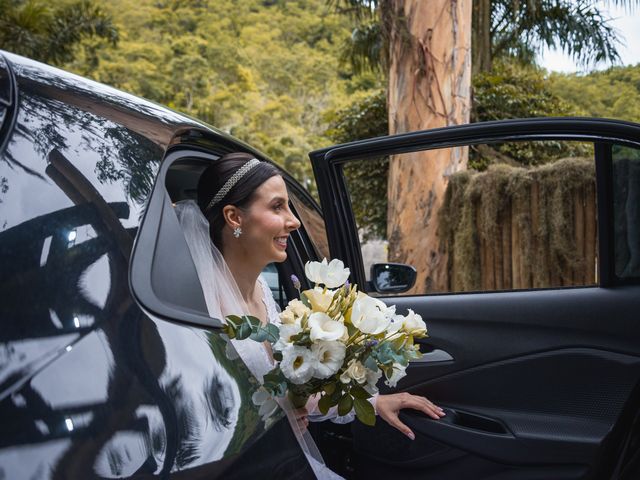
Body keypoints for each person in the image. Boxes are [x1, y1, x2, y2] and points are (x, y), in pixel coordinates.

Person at [176, 152, 445, 477]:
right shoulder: (203, 310)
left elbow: (296, 398)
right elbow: (204, 421)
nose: (295, 221)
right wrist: (271, 427)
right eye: (278, 207)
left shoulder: (264, 291)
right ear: (234, 217)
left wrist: (373, 403)